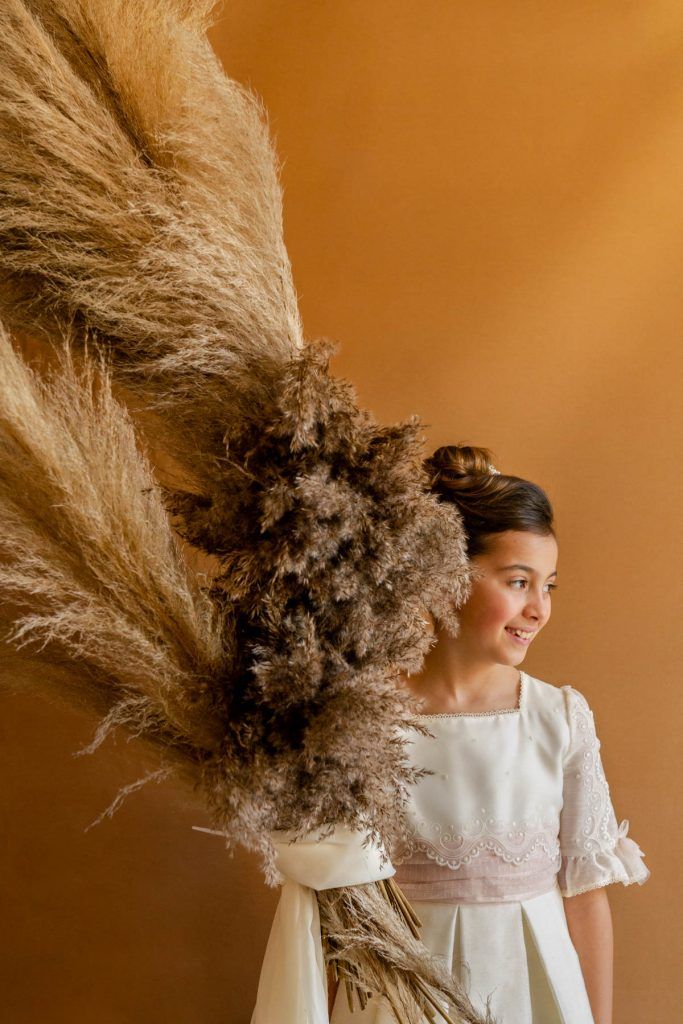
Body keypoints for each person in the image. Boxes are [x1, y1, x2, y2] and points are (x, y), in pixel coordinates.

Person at [329, 443, 649, 1024]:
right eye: (518, 581)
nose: (539, 608)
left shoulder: (559, 717)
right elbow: (347, 906)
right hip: (404, 998)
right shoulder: (366, 719)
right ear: (443, 576)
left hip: (536, 993)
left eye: (548, 586)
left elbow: (584, 896)